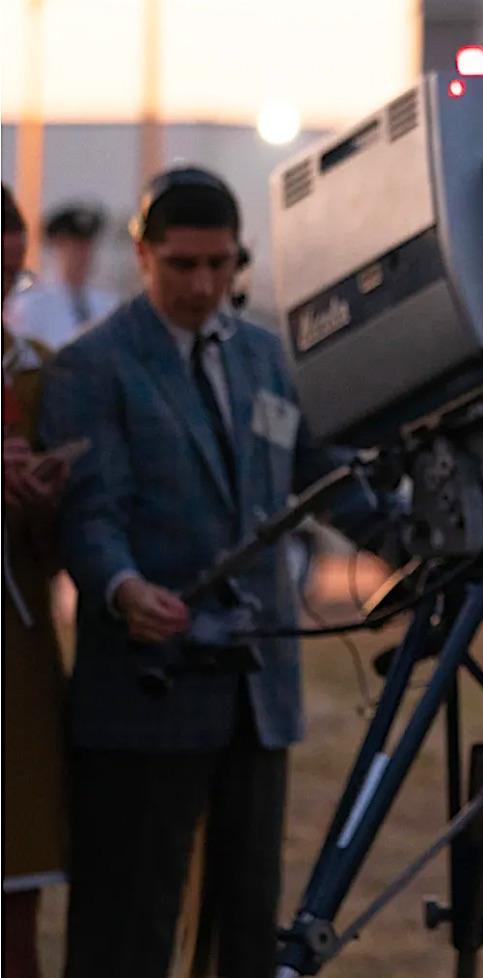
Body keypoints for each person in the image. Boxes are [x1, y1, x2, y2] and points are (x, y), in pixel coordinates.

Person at [37, 165, 390, 978]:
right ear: (143, 254)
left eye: (219, 265)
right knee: (129, 927)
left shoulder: (268, 359)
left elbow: (321, 472)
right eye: (182, 265)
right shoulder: (93, 368)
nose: (202, 284)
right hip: (145, 687)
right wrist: (124, 590)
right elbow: (91, 513)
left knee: (245, 922)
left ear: (242, 260)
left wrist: (414, 539)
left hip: (254, 693)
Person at [3, 184, 72, 978]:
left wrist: (50, 500)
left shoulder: (35, 374)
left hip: (15, 656)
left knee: (16, 892)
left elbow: (54, 555)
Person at [9, 201, 119, 350]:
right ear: (56, 247)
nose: (82, 255)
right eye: (73, 247)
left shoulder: (109, 306)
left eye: (86, 246)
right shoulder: (31, 306)